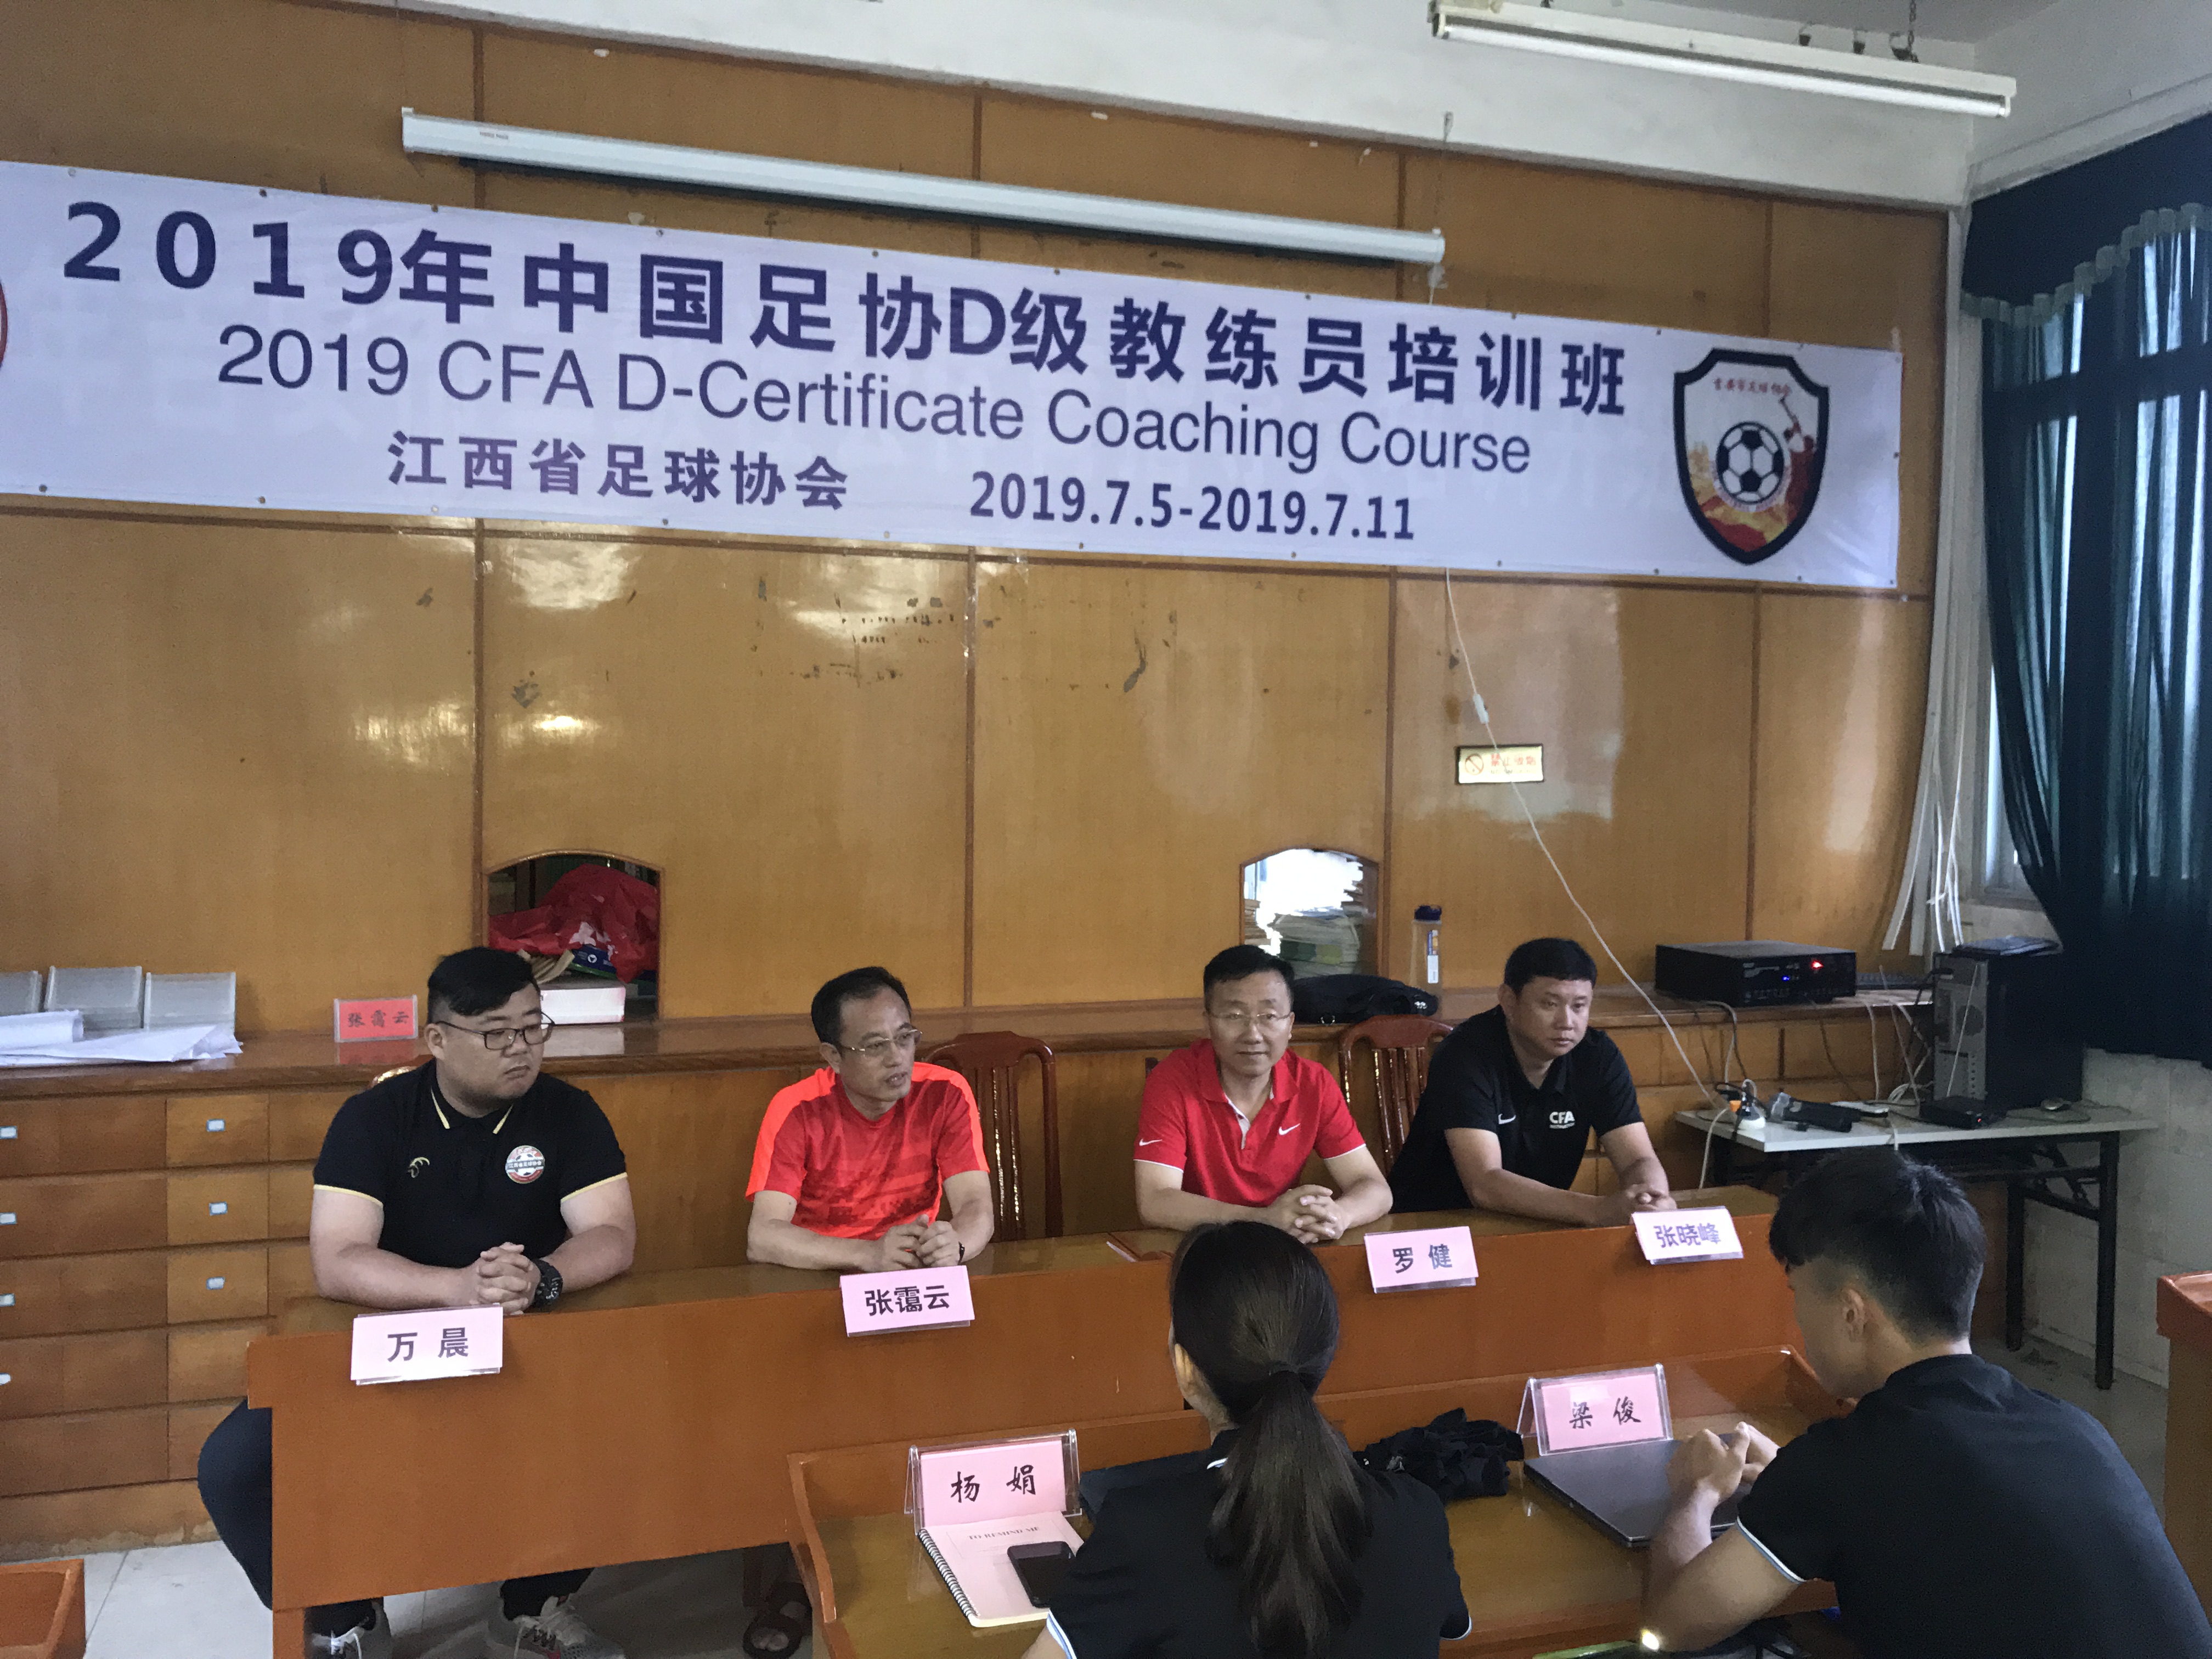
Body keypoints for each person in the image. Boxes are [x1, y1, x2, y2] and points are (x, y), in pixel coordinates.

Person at [197, 947, 637, 1659]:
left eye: (533, 1027)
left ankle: (532, 1608)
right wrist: (455, 1289)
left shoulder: (569, 1113)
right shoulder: (375, 1118)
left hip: (528, 1335)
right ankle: (346, 1618)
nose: (522, 1048)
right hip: (392, 1338)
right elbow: (338, 1257)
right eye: (497, 1033)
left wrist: (545, 1278)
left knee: (639, 1421)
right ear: (438, 1039)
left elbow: (613, 1234)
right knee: (235, 1467)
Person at [1642, 1149, 2212, 1658]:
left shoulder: (1846, 1462)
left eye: (1797, 1295)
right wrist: (1792, 1486)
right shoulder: (2073, 1428)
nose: (1797, 1319)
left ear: (1851, 1313)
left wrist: (1694, 1494)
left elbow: (1669, 1627)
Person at [1025, 1221, 1468, 1659]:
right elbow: (1449, 1626)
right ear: (1322, 1355)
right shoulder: (1417, 1513)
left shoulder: (1142, 1533)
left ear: (1185, 1367)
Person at [1386, 936, 1673, 1224]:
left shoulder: (1597, 1056)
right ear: (1509, 1001)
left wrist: (1652, 1198)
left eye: (1579, 1006)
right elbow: (1485, 1184)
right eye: (1550, 1004)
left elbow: (1637, 1159)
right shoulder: (1464, 1054)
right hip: (1435, 1224)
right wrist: (1598, 1210)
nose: (1566, 1022)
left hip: (1536, 1220)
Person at [1133, 946, 1392, 1243]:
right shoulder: (1173, 1080)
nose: (1253, 1034)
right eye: (1234, 1016)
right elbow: (1155, 1201)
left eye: (1269, 1016)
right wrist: (1262, 1220)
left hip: (1283, 1246)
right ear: (1208, 1022)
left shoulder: (1313, 1083)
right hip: (1201, 1247)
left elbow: (1374, 1188)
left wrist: (1339, 1216)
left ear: (1290, 1024)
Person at [746, 966, 994, 1270]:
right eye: (876, 1046)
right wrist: (868, 1255)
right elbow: (763, 1236)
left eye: (904, 1038)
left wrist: (955, 1247)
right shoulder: (797, 1110)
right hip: (822, 1271)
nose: (897, 1058)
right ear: (834, 1057)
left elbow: (975, 1204)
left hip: (909, 1270)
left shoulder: (944, 1093)